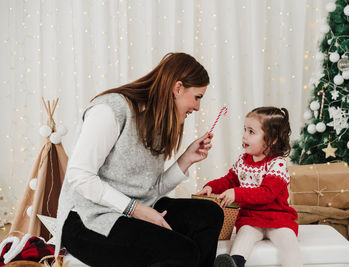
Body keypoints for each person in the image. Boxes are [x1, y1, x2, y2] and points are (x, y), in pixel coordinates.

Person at [54, 52, 224, 267]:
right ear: (178, 88)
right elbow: (79, 176)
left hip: (135, 210)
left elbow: (149, 190)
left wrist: (186, 159)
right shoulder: (110, 109)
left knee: (210, 214)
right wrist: (135, 209)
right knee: (182, 251)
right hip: (88, 219)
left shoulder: (160, 122)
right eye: (197, 97)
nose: (198, 107)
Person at [197, 107, 302, 267]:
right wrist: (211, 187)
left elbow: (266, 193)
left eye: (251, 132)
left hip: (278, 218)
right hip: (251, 218)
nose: (244, 135)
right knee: (242, 238)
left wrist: (237, 193)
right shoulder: (243, 160)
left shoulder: (277, 164)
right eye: (245, 130)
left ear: (272, 139)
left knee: (289, 242)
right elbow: (229, 180)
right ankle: (235, 263)